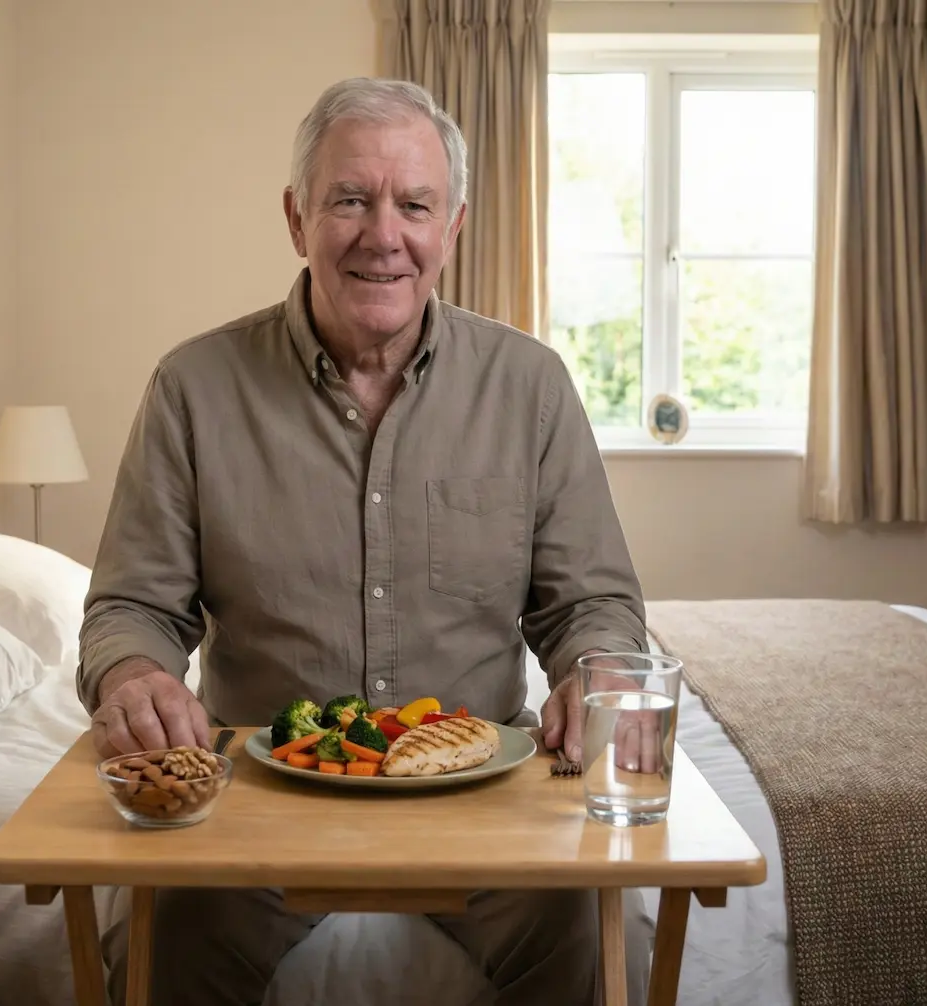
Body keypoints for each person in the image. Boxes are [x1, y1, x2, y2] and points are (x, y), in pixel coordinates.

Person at [78, 76, 649, 1006]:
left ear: (452, 227)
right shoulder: (194, 387)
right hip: (262, 797)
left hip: (484, 792)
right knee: (158, 943)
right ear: (298, 217)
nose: (383, 235)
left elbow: (592, 604)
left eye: (413, 205)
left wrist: (598, 666)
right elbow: (133, 607)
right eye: (350, 200)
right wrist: (133, 676)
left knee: (589, 933)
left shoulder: (531, 387)